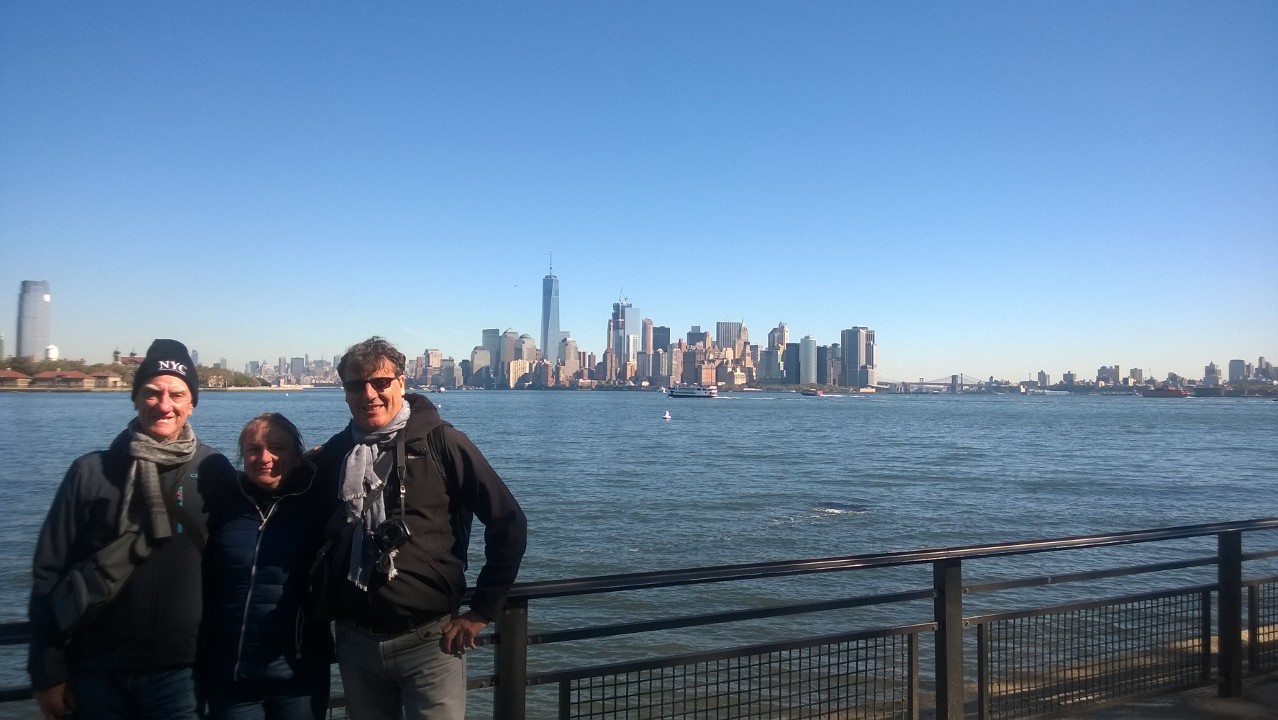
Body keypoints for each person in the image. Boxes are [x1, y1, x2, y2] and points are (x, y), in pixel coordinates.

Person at [312, 336, 526, 720]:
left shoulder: (442, 442)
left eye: (380, 382)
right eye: (356, 385)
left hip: (431, 641)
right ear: (344, 392)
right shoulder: (336, 453)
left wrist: (482, 610)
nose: (369, 394)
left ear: (401, 383)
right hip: (355, 640)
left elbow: (507, 521)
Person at [27, 339, 237, 720]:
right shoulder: (91, 472)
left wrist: (304, 467)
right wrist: (47, 671)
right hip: (95, 667)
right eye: (152, 392)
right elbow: (48, 574)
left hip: (180, 672)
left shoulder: (214, 471)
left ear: (192, 404)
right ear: (135, 398)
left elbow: (237, 552)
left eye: (177, 394)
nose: (164, 404)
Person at [200, 413, 334, 720]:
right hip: (230, 674)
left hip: (299, 674)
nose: (264, 458)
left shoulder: (318, 502)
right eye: (253, 449)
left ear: (297, 456)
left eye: (277, 448)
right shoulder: (224, 502)